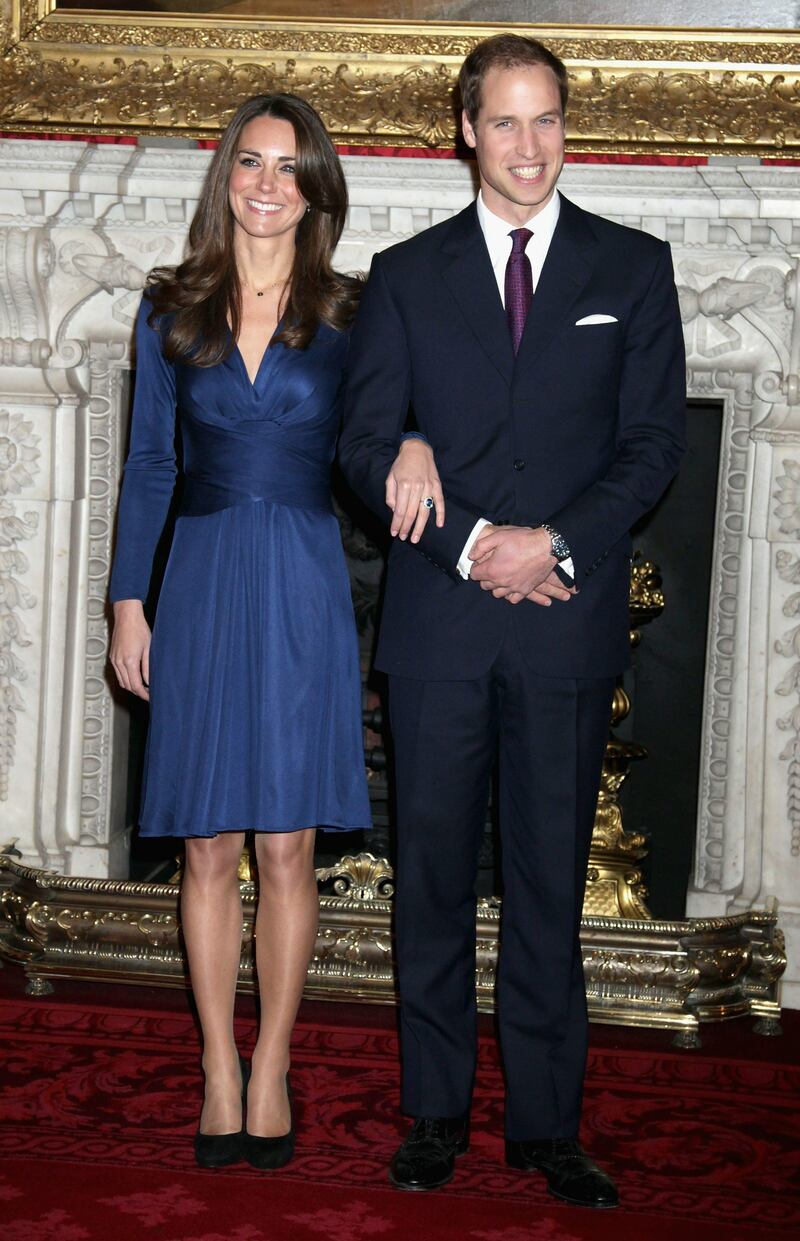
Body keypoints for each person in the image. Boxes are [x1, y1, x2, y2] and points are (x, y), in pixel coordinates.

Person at [339, 34, 686, 1207]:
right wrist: (476, 540)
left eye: (546, 121)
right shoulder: (403, 274)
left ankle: (545, 1124)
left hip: (565, 622)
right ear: (464, 131)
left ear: (563, 129)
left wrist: (556, 544)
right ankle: (433, 1111)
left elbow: (650, 447)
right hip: (438, 623)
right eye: (505, 122)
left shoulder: (632, 268)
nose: (528, 146)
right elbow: (361, 441)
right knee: (430, 874)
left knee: (547, 880)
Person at [108, 93, 383, 1171]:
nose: (268, 185)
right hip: (205, 577)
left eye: (290, 167)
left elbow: (385, 436)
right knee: (208, 842)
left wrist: (412, 453)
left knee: (287, 844)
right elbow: (149, 466)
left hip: (307, 578)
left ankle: (272, 1061)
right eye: (251, 163)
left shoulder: (357, 315)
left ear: (316, 189)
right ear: (226, 177)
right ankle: (217, 1065)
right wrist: (131, 600)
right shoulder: (168, 307)